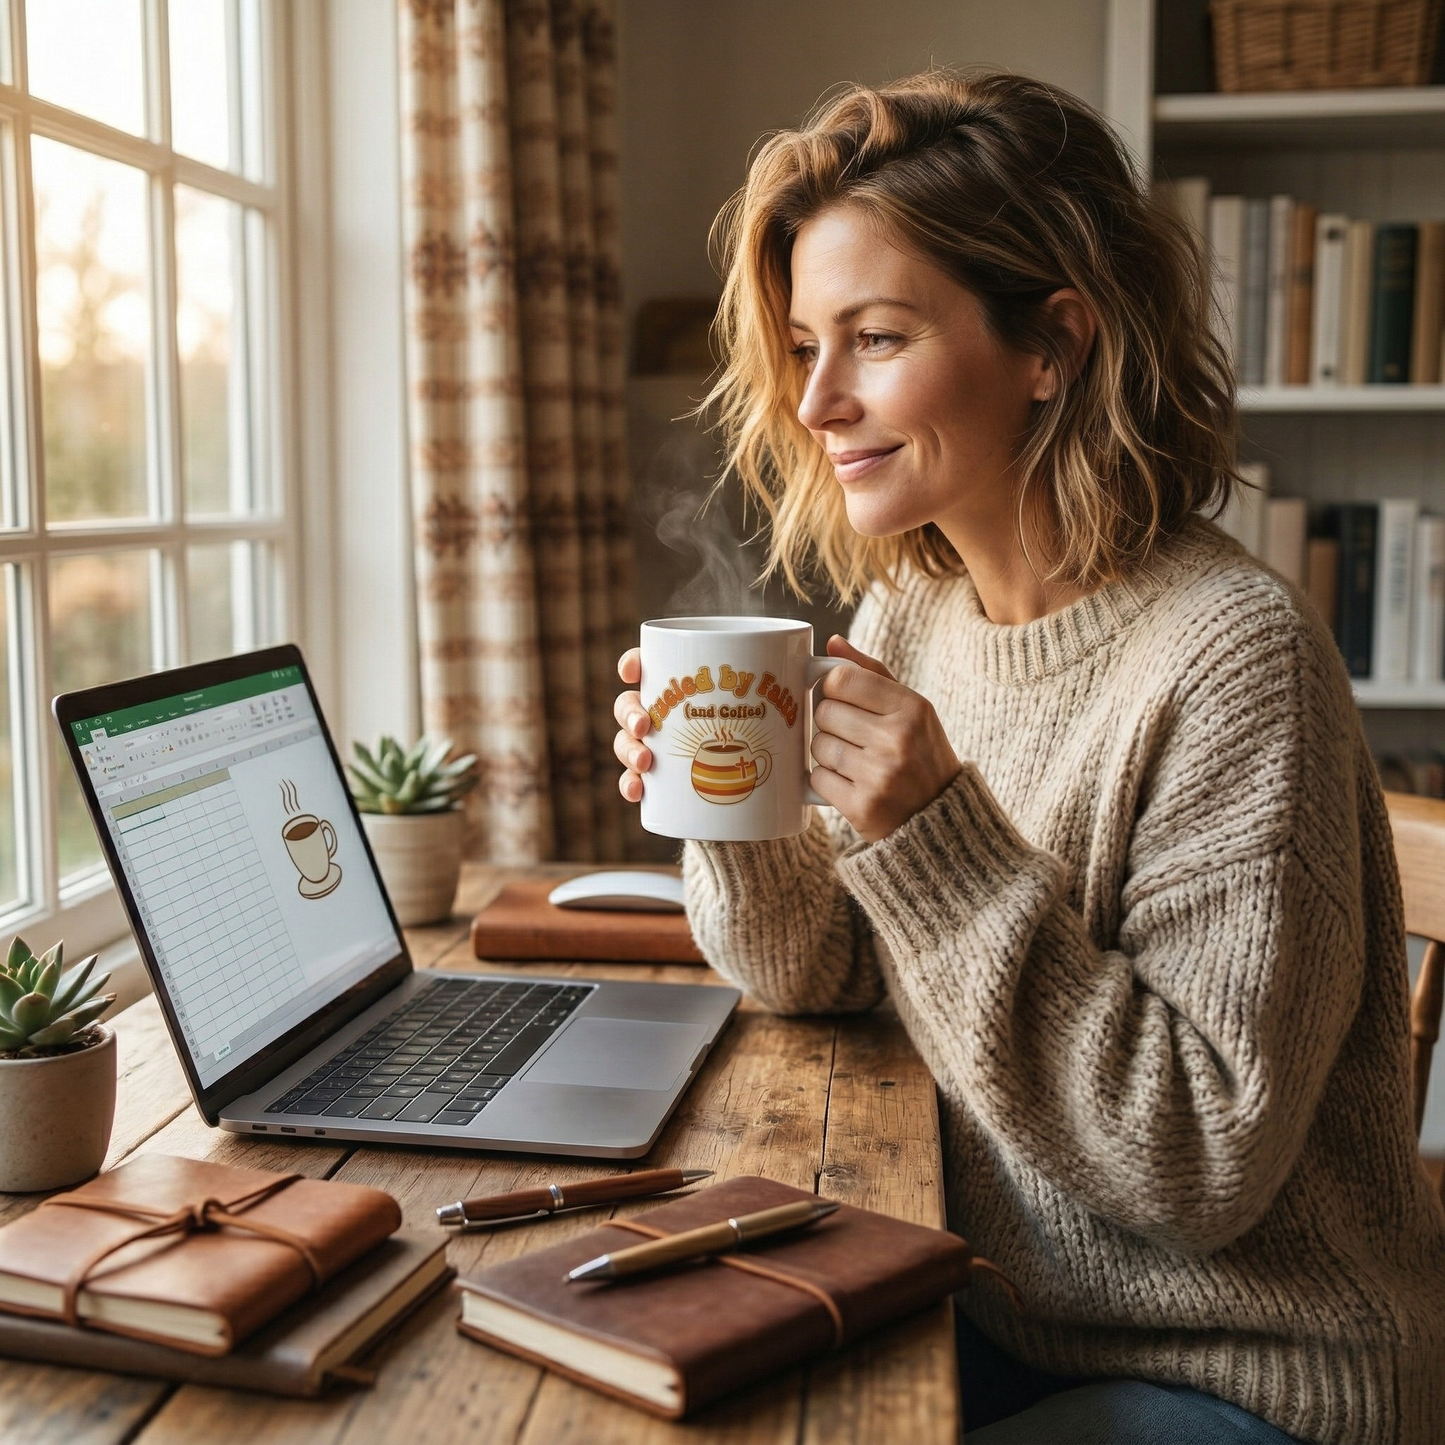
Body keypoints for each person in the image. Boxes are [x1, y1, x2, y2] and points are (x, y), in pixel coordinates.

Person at [612, 71, 1445, 1444]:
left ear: (1052, 343)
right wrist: (736, 810)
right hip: (1002, 1306)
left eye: (875, 338)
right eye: (806, 344)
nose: (818, 402)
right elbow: (819, 974)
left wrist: (937, 835)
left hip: (1248, 1369)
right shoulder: (914, 610)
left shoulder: (1231, 656)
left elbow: (1197, 1161)